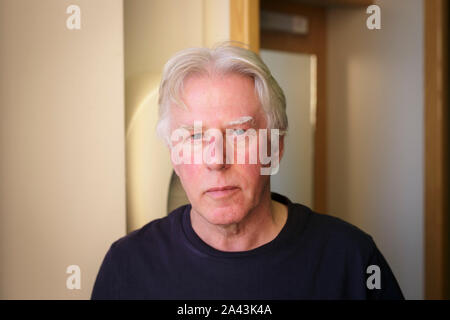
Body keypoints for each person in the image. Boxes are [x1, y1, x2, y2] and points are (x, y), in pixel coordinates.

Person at [91, 43, 404, 300]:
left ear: (276, 148)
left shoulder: (350, 259)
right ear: (174, 154)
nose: (217, 160)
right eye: (195, 136)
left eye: (240, 133)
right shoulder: (127, 266)